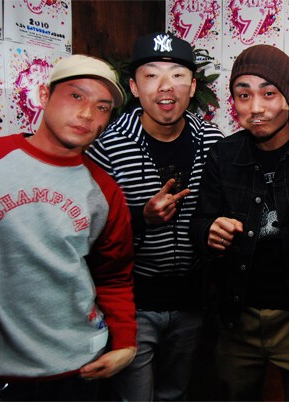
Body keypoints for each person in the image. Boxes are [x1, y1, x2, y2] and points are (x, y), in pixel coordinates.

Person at [188, 44, 289, 401]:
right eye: (244, 95)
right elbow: (199, 221)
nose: (255, 107)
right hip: (238, 317)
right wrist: (209, 231)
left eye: (268, 94)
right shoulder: (223, 155)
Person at [85, 33, 224, 401]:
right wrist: (141, 217)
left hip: (191, 302)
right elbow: (88, 229)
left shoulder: (213, 142)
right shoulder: (108, 146)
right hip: (133, 305)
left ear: (192, 87)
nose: (166, 86)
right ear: (134, 87)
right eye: (151, 75)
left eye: (177, 75)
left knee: (176, 392)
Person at [0, 55, 136, 401]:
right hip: (1, 370)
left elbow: (114, 276)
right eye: (75, 96)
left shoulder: (103, 190)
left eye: (102, 107)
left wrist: (126, 342)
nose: (87, 113)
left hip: (78, 367)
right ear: (44, 95)